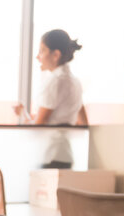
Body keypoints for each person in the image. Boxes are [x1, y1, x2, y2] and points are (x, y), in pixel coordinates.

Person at [13, 29, 88, 168]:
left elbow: (40, 124)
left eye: (42, 51)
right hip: (65, 154)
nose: (37, 57)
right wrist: (24, 114)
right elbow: (83, 122)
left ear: (56, 54)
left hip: (50, 155)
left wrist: (23, 117)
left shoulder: (55, 81)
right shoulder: (75, 82)